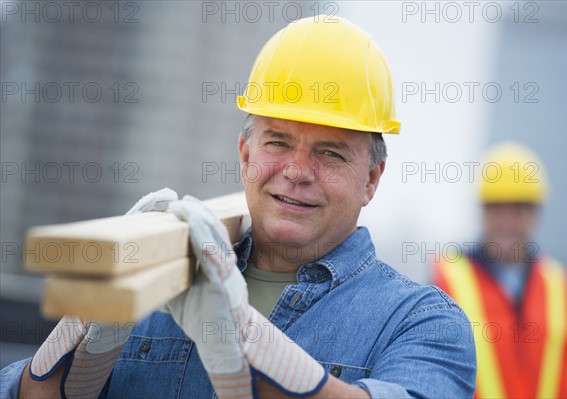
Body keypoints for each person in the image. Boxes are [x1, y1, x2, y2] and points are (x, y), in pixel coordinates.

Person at [1, 16, 476, 398]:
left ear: (371, 178)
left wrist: (240, 334)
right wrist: (79, 336)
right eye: (278, 142)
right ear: (246, 154)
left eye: (330, 152)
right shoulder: (160, 278)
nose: (297, 170)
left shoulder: (422, 323)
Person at [432, 142, 567, 398]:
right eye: (496, 209)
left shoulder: (559, 283)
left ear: (535, 214)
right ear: (482, 212)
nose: (506, 222)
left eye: (517, 210)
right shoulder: (449, 278)